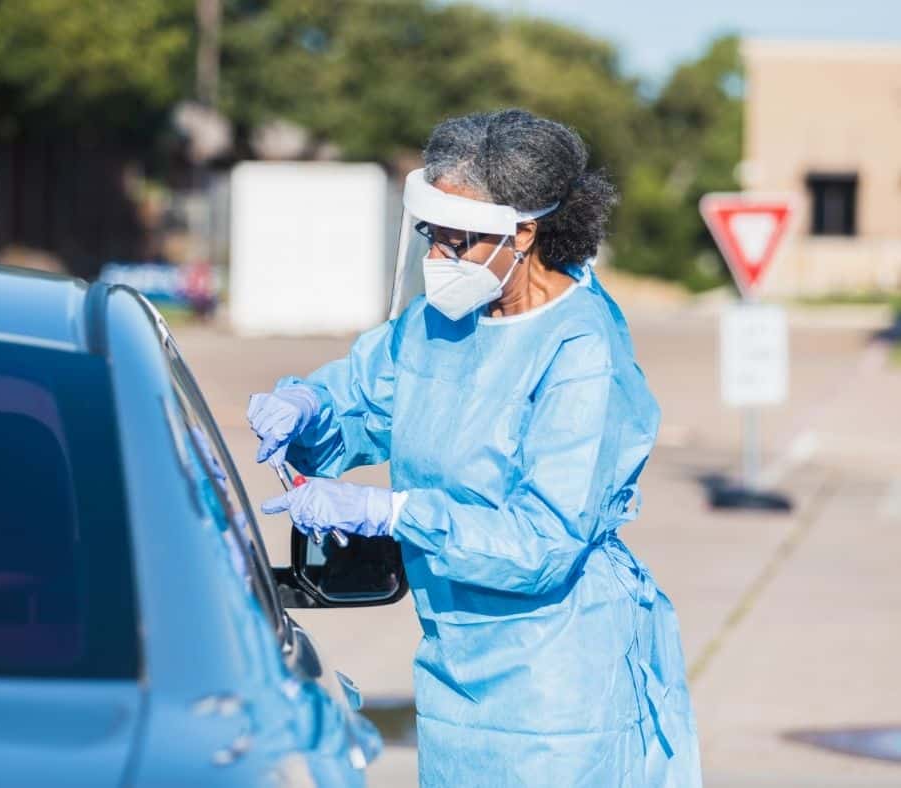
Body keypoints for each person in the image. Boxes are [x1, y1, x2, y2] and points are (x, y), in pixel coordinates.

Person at [248, 109, 702, 787]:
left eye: (457, 241)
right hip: (452, 669)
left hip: (555, 692)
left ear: (524, 232)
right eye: (432, 236)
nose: (438, 260)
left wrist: (393, 514)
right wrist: (307, 408)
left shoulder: (582, 350)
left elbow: (542, 542)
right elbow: (366, 398)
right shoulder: (440, 323)